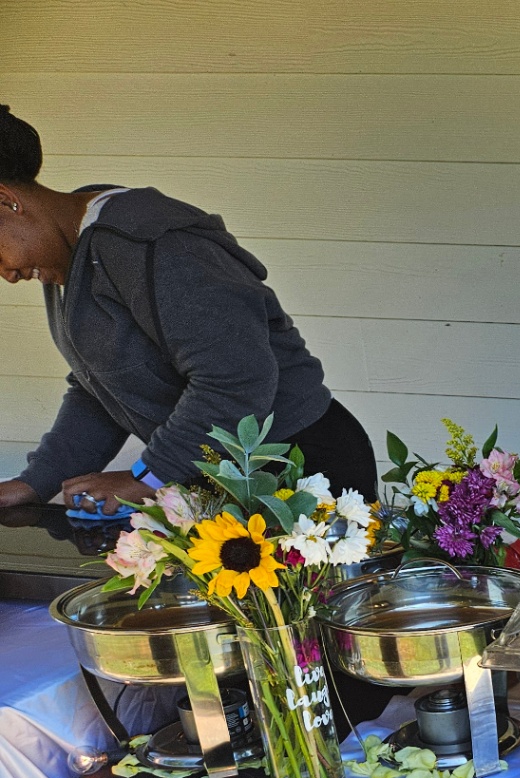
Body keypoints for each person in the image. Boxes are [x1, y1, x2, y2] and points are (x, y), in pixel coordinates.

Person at [0, 105, 377, 515]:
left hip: (301, 467)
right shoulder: (71, 254)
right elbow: (101, 390)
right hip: (220, 475)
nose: (6, 275)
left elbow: (236, 377)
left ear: (7, 201)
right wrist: (37, 481)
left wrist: (146, 477)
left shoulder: (149, 242)